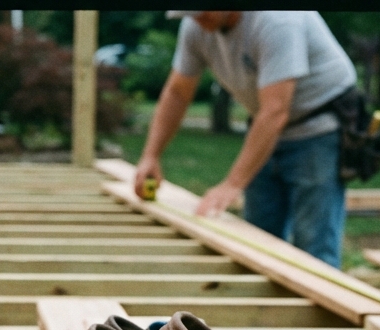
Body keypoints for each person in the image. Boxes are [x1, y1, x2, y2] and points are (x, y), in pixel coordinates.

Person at [133, 11, 357, 268]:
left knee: (314, 246)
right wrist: (151, 155)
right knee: (256, 239)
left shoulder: (277, 20)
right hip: (265, 124)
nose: (197, 18)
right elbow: (177, 92)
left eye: (202, 10)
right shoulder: (196, 26)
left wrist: (232, 184)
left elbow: (276, 110)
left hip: (318, 129)